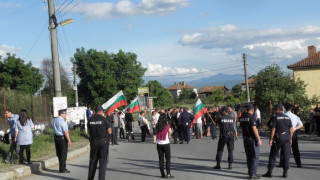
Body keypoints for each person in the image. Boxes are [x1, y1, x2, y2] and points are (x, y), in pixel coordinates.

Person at [263, 104, 293, 178]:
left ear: (278, 110)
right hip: (287, 137)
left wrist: (271, 139)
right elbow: (291, 130)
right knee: (286, 155)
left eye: (274, 109)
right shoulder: (287, 117)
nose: (273, 110)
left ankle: (270, 172)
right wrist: (291, 139)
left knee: (273, 155)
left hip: (278, 137)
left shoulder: (275, 117)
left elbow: (273, 130)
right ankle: (285, 172)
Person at [87, 105, 112, 180]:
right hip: (103, 142)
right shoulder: (104, 120)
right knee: (102, 162)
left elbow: (88, 131)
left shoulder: (90, 120)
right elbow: (109, 131)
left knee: (93, 161)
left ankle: (90, 178)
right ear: (101, 111)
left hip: (93, 142)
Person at [240, 104, 262, 179]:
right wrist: (258, 138)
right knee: (255, 156)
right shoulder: (251, 117)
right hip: (252, 139)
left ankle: (250, 172)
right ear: (252, 110)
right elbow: (254, 128)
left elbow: (241, 128)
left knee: (249, 156)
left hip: (245, 138)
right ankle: (253, 174)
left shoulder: (242, 117)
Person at [278, 103, 303, 168]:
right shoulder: (295, 116)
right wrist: (295, 128)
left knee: (284, 148)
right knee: (295, 149)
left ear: (285, 108)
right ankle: (298, 163)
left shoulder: (284, 115)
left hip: (285, 133)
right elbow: (301, 124)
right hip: (293, 133)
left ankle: (282, 163)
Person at [52, 109, 72, 173]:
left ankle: (62, 168)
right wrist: (69, 140)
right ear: (62, 114)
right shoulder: (62, 121)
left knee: (59, 153)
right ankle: (62, 169)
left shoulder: (54, 120)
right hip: (62, 138)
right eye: (65, 114)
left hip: (56, 138)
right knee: (63, 154)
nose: (65, 115)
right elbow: (65, 132)